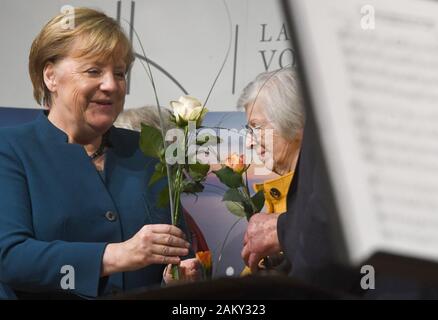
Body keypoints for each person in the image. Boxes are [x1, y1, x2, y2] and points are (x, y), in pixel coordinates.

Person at [0, 7, 199, 299]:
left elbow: (178, 250)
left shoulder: (149, 151)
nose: (111, 85)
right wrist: (116, 256)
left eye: (119, 73)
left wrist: (177, 277)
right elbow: (10, 256)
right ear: (51, 76)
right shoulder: (11, 149)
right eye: (94, 71)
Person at [238, 67, 305, 274]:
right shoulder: (281, 198)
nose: (249, 143)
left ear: (293, 120)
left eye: (256, 127)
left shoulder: (325, 194)